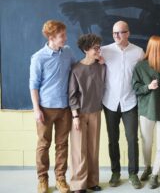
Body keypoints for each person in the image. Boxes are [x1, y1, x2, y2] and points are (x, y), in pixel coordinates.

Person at [29, 20, 76, 193]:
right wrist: (36, 109)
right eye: (61, 35)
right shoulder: (38, 57)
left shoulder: (68, 52)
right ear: (51, 37)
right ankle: (42, 179)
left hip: (65, 108)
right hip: (45, 109)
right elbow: (33, 85)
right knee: (43, 145)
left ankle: (61, 179)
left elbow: (76, 70)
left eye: (64, 34)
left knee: (62, 145)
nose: (65, 38)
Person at [101, 20, 144, 189]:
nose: (117, 36)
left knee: (132, 138)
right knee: (113, 139)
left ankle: (133, 174)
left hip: (130, 102)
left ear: (128, 33)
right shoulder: (105, 51)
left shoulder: (138, 52)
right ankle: (115, 172)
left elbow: (145, 73)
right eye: (114, 33)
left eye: (120, 32)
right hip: (109, 102)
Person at [132, 35, 160, 189]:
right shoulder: (140, 67)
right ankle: (147, 167)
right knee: (146, 143)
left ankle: (155, 174)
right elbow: (135, 88)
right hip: (147, 110)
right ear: (155, 48)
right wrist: (147, 87)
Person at [68, 34, 105, 193]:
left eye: (99, 47)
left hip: (96, 112)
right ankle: (78, 184)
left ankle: (92, 181)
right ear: (86, 49)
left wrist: (103, 62)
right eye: (95, 48)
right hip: (80, 114)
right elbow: (72, 95)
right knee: (79, 150)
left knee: (93, 149)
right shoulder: (76, 69)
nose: (99, 50)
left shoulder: (101, 66)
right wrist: (75, 116)